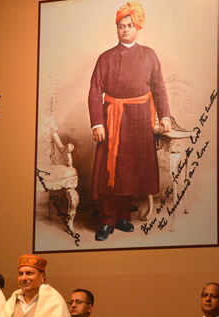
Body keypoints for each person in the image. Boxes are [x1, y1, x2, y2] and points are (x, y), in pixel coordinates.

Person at [88, 1, 171, 241]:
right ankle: (106, 220)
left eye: (130, 25)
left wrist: (164, 116)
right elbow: (95, 92)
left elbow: (160, 89)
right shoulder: (106, 58)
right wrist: (97, 123)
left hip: (139, 119)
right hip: (112, 118)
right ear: (116, 29)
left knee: (131, 170)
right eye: (121, 26)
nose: (125, 29)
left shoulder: (149, 55)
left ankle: (124, 216)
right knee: (109, 170)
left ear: (138, 28)